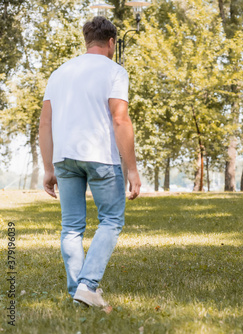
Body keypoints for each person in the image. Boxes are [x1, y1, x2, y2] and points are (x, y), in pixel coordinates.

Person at [39, 16, 141, 308]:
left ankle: (78, 293)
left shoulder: (59, 73)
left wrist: (48, 168)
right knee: (111, 219)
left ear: (86, 40)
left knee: (71, 227)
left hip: (64, 157)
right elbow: (120, 119)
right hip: (100, 156)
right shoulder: (115, 71)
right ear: (111, 43)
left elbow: (45, 124)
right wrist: (131, 168)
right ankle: (87, 285)